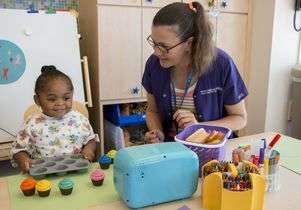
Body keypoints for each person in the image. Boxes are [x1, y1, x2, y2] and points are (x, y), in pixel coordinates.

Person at [142, 2, 248, 143]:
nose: (156, 52)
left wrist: (200, 127)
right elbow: (152, 111)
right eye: (154, 43)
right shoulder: (153, 64)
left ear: (190, 43)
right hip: (172, 151)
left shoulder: (221, 64)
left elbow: (239, 119)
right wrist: (158, 133)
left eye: (164, 47)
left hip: (213, 150)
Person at [11, 65, 97, 172]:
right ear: (37, 100)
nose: (60, 103)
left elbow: (91, 140)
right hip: (44, 175)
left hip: (77, 171)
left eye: (66, 98)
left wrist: (89, 150)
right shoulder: (31, 123)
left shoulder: (79, 119)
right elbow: (18, 150)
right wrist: (24, 159)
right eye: (52, 99)